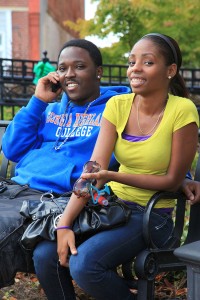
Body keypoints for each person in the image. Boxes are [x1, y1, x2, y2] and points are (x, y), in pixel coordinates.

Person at [56, 33, 199, 300]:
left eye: (147, 62)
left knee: (85, 265)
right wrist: (64, 222)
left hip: (153, 215)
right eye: (132, 61)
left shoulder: (182, 110)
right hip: (111, 205)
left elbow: (172, 180)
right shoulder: (117, 105)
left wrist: (112, 174)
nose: (135, 68)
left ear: (170, 71)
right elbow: (93, 170)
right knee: (45, 252)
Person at [0, 39, 131, 293]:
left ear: (98, 72)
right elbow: (13, 149)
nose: (69, 74)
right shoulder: (48, 110)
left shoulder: (114, 110)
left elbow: (135, 152)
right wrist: (38, 100)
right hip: (15, 192)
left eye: (79, 66)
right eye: (63, 68)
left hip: (55, 200)